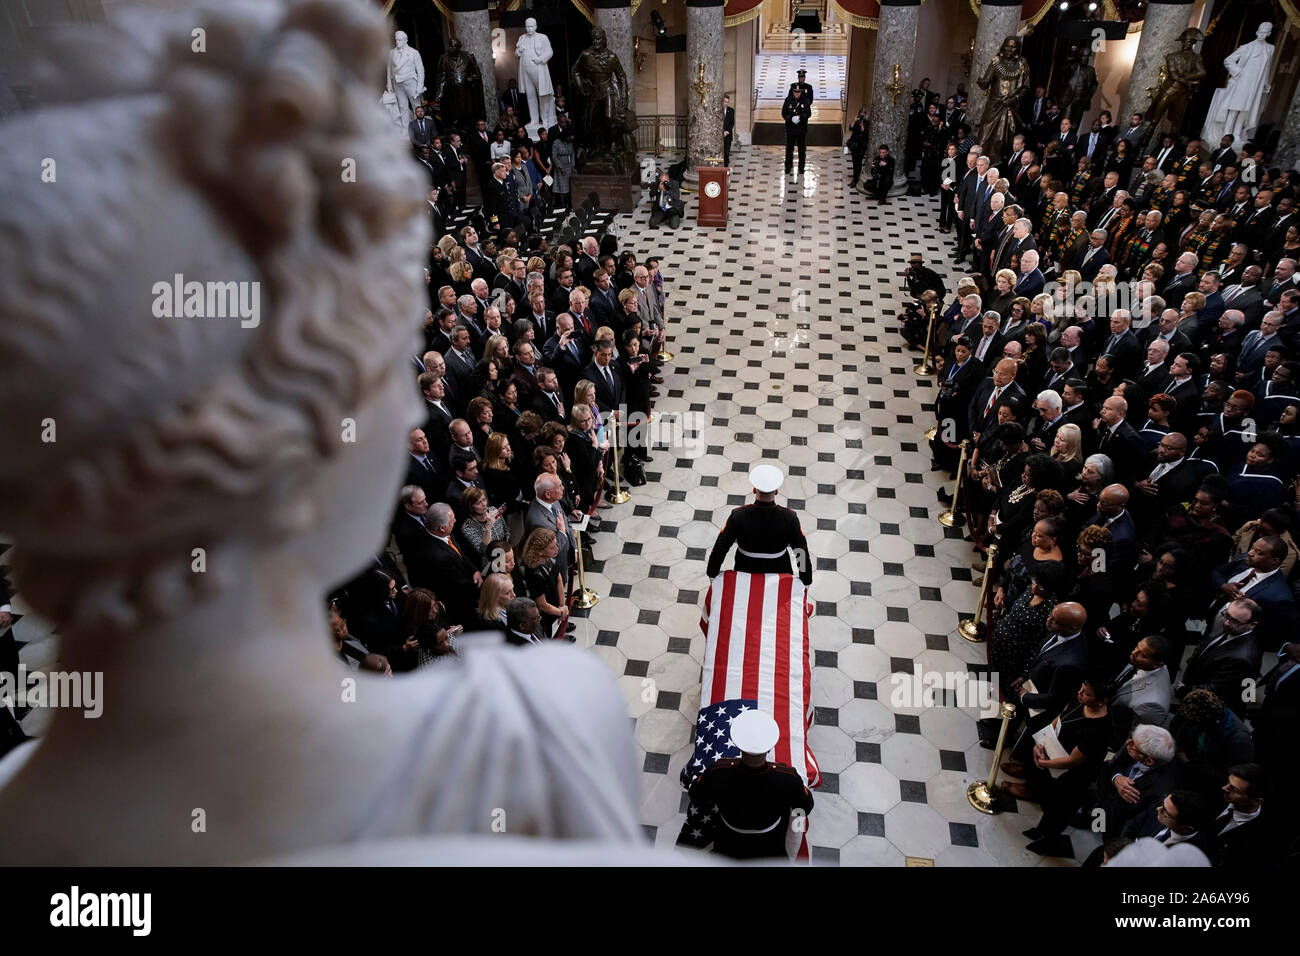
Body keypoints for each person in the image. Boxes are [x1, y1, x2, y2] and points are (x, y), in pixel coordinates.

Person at [685, 710, 814, 860]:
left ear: (739, 746)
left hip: (729, 838)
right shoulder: (788, 777)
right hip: (771, 841)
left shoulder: (718, 771)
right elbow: (805, 805)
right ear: (769, 748)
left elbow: (697, 795)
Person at [706, 465, 813, 586]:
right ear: (776, 491)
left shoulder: (738, 515)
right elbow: (800, 552)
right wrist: (806, 580)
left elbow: (721, 547)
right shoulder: (790, 518)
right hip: (779, 570)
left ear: (754, 490)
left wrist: (712, 573)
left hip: (745, 568)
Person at [781, 84, 811, 178]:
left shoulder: (805, 100)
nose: (796, 94)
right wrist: (789, 118)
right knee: (789, 149)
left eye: (798, 92)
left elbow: (808, 113)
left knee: (802, 150)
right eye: (795, 92)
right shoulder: (788, 100)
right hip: (791, 129)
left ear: (801, 92)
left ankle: (801, 167)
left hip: (801, 130)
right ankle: (788, 166)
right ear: (792, 92)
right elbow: (783, 113)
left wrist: (800, 117)